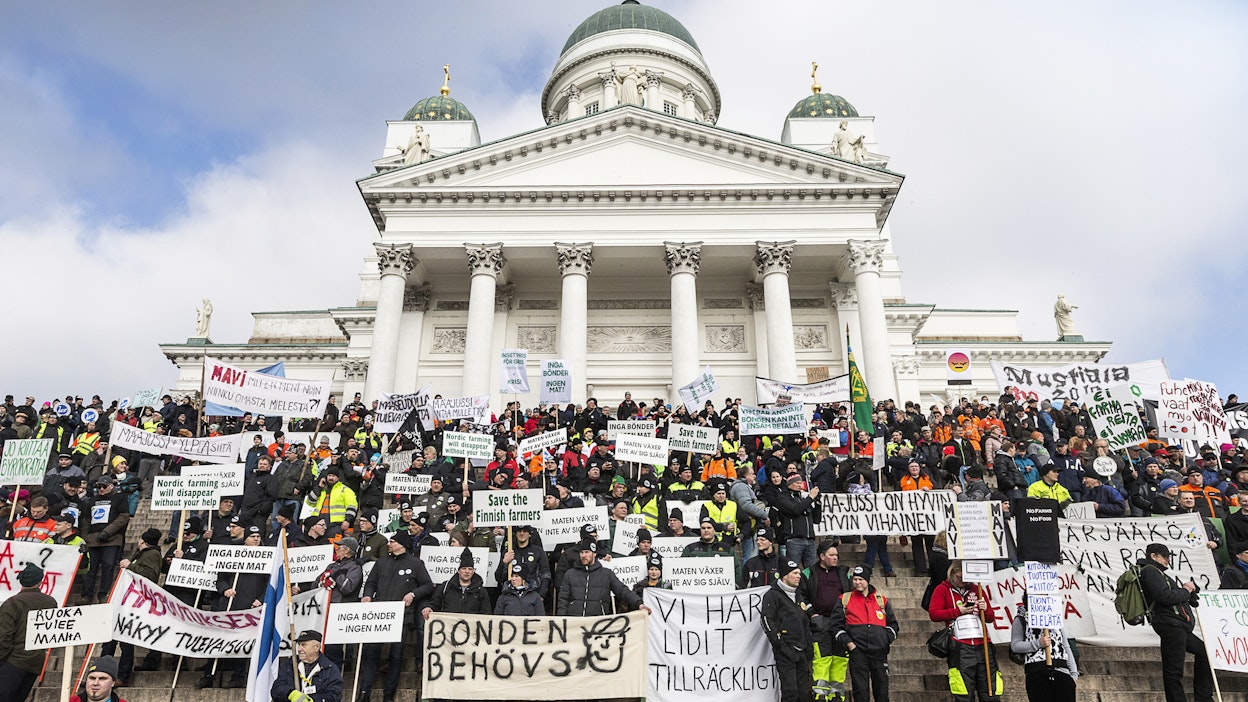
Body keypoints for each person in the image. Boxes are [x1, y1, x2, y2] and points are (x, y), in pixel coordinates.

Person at [359, 531, 433, 702]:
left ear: (401, 544)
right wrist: (368, 595)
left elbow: (428, 585)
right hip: (379, 615)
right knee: (371, 653)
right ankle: (364, 692)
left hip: (401, 616)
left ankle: (389, 694)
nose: (388, 544)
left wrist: (413, 594)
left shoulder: (415, 563)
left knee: (396, 655)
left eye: (392, 541)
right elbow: (370, 583)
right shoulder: (381, 563)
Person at [1137, 542, 1213, 702]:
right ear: (1153, 556)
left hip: (1178, 626)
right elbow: (1164, 597)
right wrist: (1185, 590)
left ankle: (1204, 697)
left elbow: (1170, 595)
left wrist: (1187, 593)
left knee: (1204, 652)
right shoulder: (1150, 571)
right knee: (1174, 670)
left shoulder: (1157, 573)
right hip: (1171, 625)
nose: (1168, 560)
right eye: (1165, 556)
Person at [928, 560, 1002, 702]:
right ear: (952, 573)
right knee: (963, 693)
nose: (963, 581)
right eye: (959, 578)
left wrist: (985, 609)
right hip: (960, 646)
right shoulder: (942, 589)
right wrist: (957, 611)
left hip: (983, 644)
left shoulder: (977, 589)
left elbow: (990, 618)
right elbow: (934, 614)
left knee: (990, 691)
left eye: (966, 578)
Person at [830, 566, 898, 702]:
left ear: (867, 580)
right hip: (857, 652)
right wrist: (850, 644)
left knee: (882, 692)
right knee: (860, 692)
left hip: (879, 652)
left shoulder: (881, 600)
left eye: (860, 579)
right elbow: (835, 626)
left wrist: (885, 640)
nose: (857, 582)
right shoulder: (844, 599)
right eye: (855, 579)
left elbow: (893, 625)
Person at [761, 558, 816, 702]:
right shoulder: (772, 595)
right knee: (790, 693)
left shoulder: (798, 595)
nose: (799, 576)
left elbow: (804, 621)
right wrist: (781, 644)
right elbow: (767, 621)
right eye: (795, 573)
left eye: (799, 573)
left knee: (804, 694)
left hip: (802, 651)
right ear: (785, 576)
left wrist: (809, 645)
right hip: (786, 652)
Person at [0, 564, 57, 700]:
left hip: (12, 661)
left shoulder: (12, 603)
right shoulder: (50, 602)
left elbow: (4, 636)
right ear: (40, 582)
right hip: (35, 662)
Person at [1010, 595, 1078, 702]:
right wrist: (1038, 644)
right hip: (1036, 673)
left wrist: (1073, 674)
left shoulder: (1054, 618)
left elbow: (1065, 646)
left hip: (1062, 672)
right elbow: (1015, 646)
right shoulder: (1021, 619)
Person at [556, 539, 648, 616]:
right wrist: (561, 621)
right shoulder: (570, 574)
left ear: (594, 554)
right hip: (575, 622)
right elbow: (563, 600)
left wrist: (639, 604)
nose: (583, 555)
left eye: (587, 552)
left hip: (598, 623)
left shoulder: (606, 574)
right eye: (581, 552)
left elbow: (622, 590)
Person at [270, 630, 343, 702]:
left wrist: (313, 700)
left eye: (303, 645)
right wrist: (291, 693)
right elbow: (276, 689)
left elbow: (335, 695)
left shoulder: (329, 669)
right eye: (299, 645)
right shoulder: (289, 664)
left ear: (317, 647)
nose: (299, 649)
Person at [424, 548, 491, 619]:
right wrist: (429, 608)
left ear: (473, 571)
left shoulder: (480, 590)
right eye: (464, 568)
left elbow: (486, 613)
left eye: (470, 569)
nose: (467, 571)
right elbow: (434, 604)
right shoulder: (446, 587)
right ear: (459, 571)